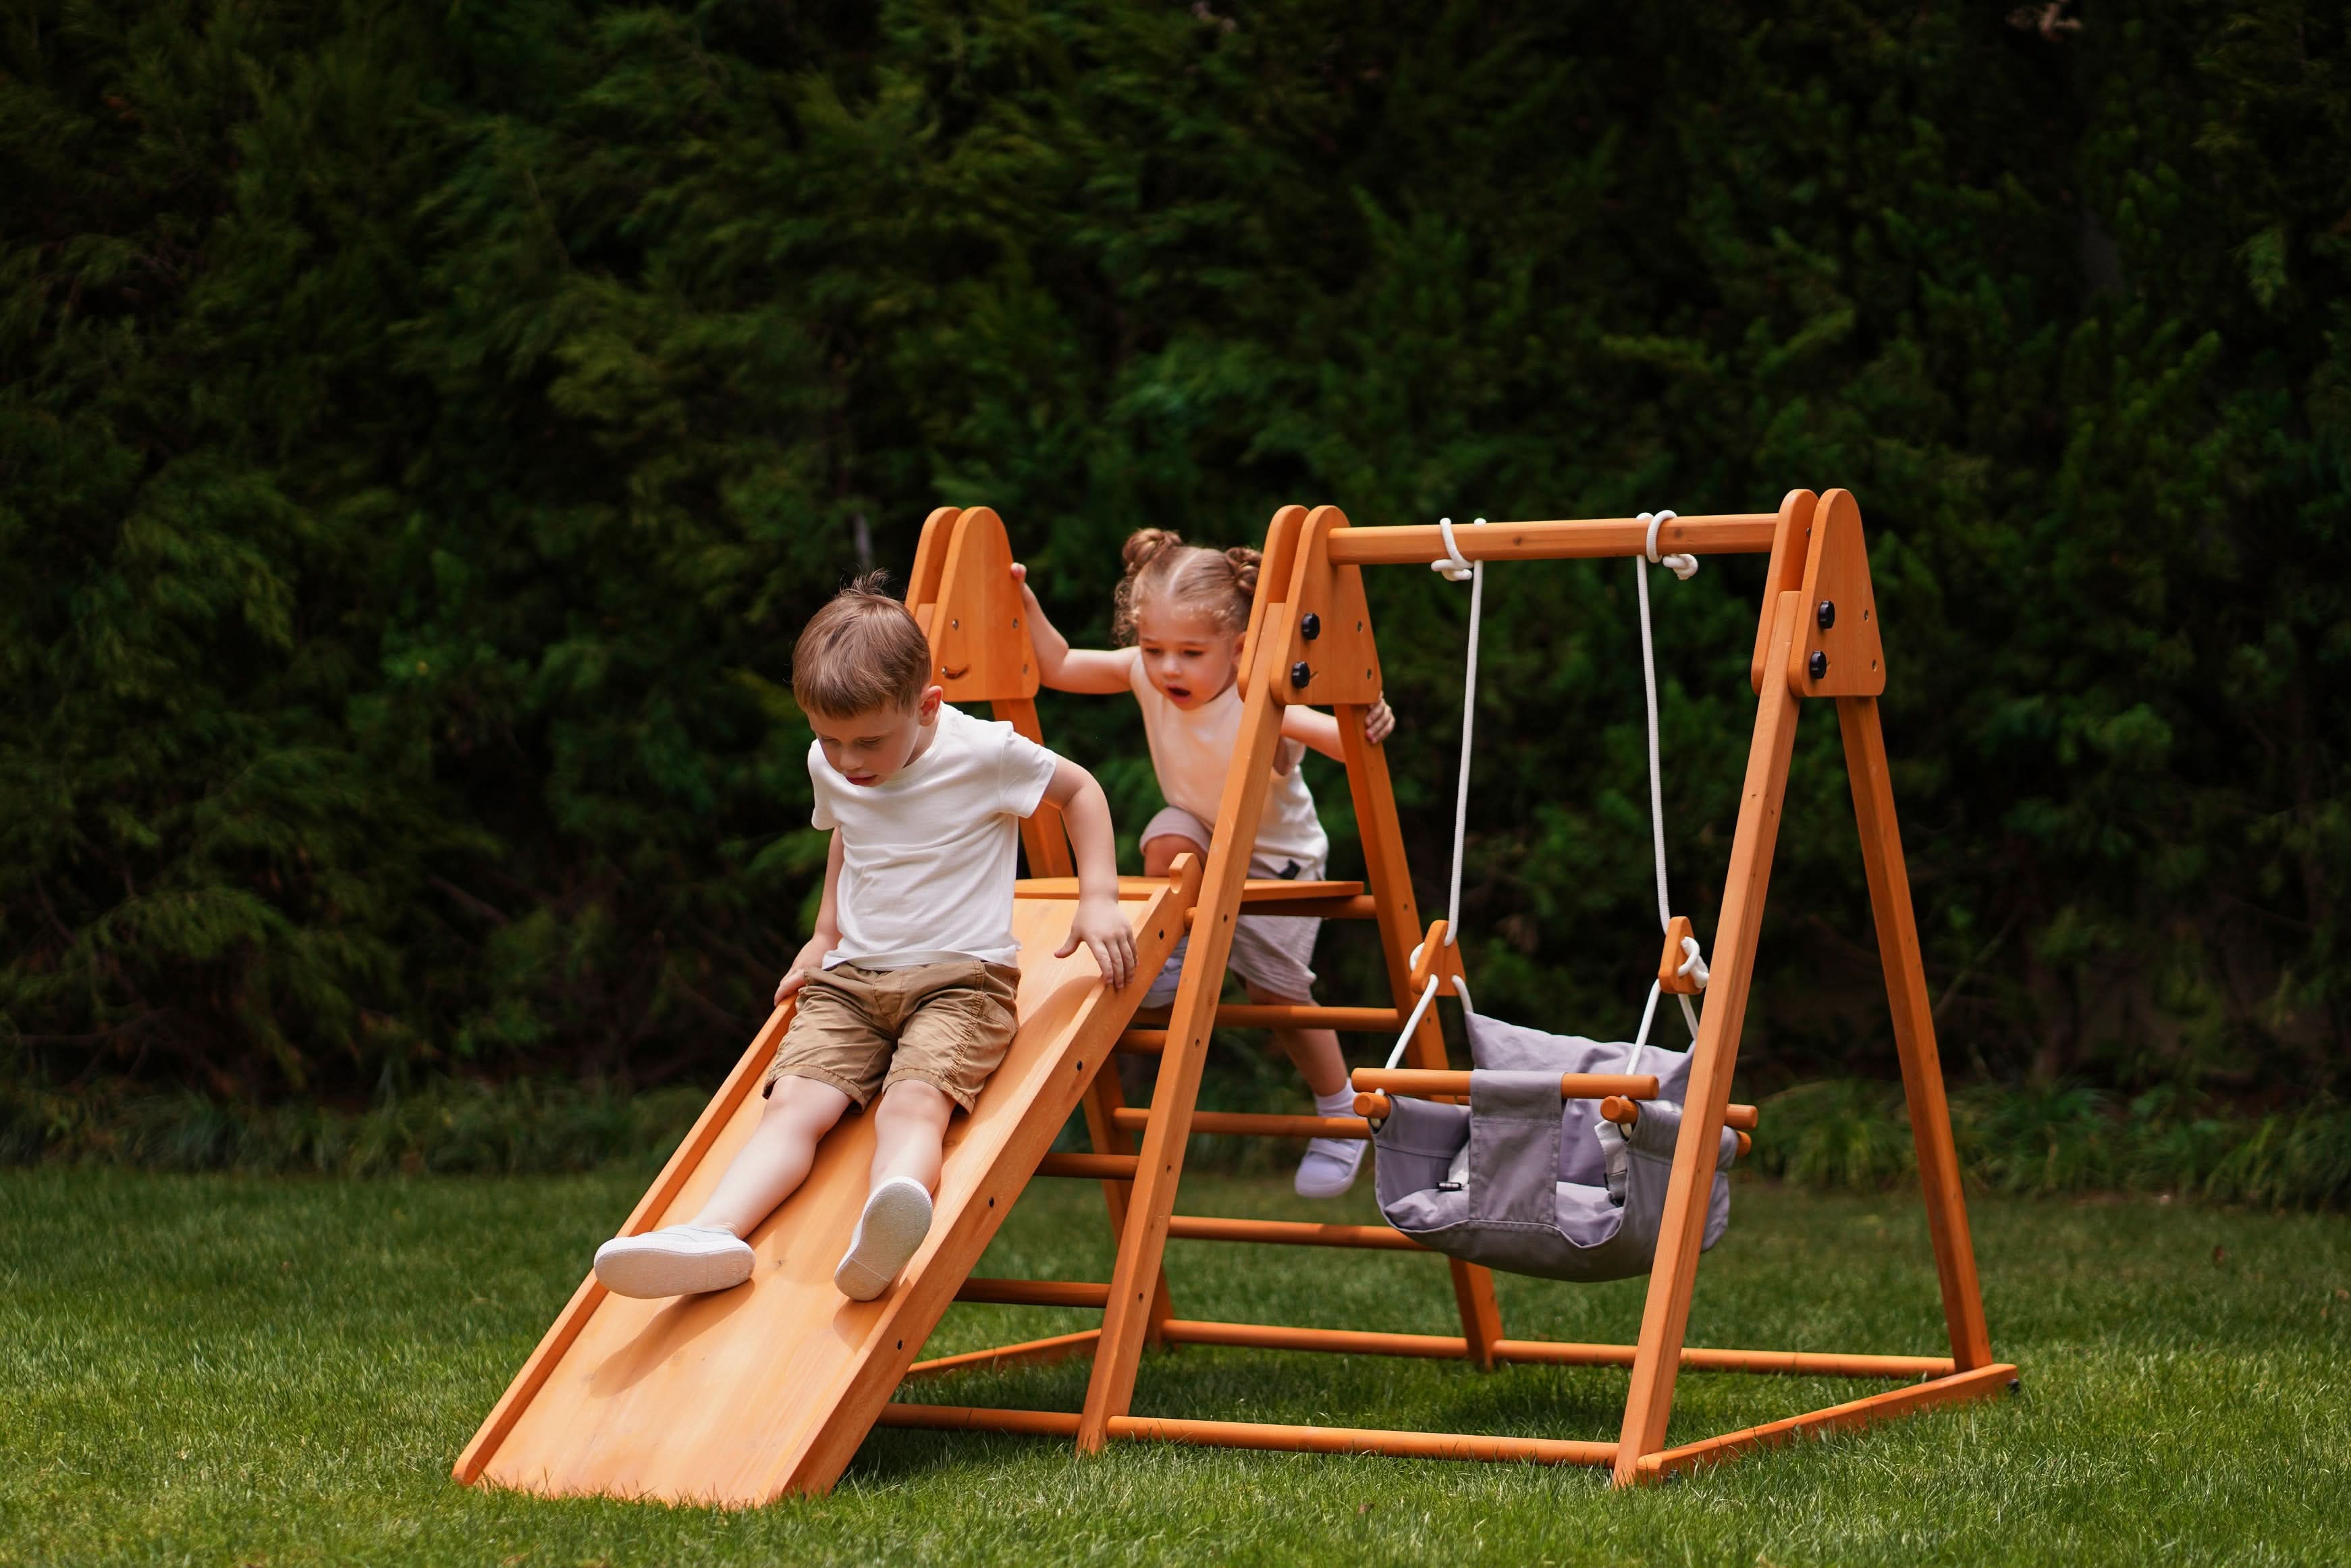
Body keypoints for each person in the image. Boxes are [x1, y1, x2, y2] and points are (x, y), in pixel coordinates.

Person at [591, 572, 1134, 1301]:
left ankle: (892, 1215)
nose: (848, 760)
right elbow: (849, 836)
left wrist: (1098, 896)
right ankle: (714, 1234)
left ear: (927, 705)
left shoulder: (983, 752)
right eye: (829, 739)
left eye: (869, 741)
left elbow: (1081, 792)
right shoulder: (834, 762)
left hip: (960, 979)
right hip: (852, 979)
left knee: (914, 1104)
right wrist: (823, 934)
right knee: (794, 1106)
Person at [1013, 529, 1393, 1199]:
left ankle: (1338, 1110)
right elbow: (1061, 664)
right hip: (1205, 842)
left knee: (1277, 998)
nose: (1168, 670)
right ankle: (1177, 953)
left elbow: (1347, 743)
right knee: (1165, 837)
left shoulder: (1260, 698)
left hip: (1278, 866)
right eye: (1154, 648)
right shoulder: (1143, 673)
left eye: (1191, 653)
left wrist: (1370, 714)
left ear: (1242, 649)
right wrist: (1020, 596)